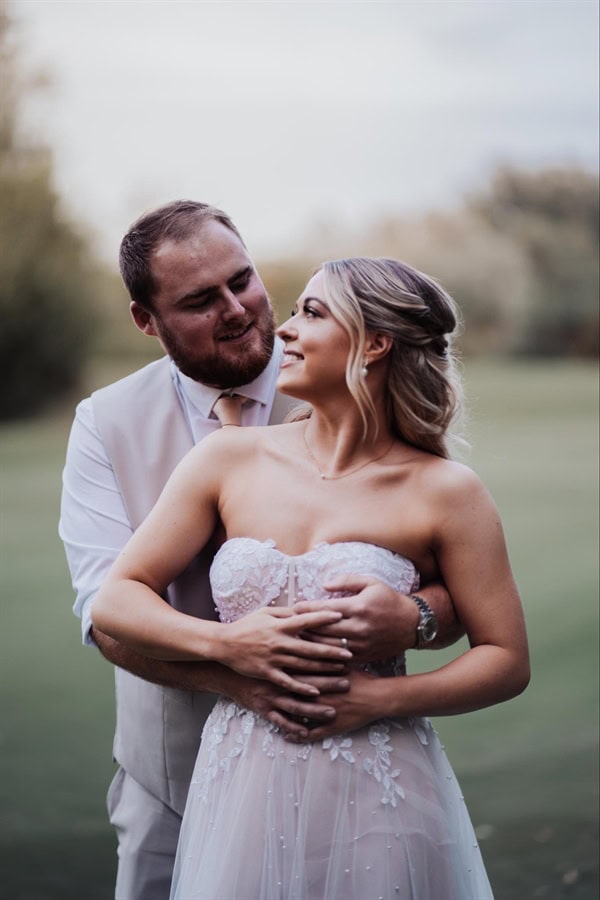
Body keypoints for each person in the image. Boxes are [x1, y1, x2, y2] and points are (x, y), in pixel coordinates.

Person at [92, 255, 530, 899]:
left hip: (381, 776)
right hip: (241, 779)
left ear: (375, 344)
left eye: (313, 313)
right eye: (295, 310)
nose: (287, 329)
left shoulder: (447, 492)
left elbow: (506, 659)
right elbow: (115, 600)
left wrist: (378, 700)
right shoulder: (228, 459)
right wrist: (228, 644)